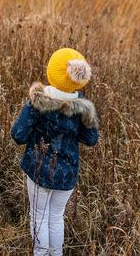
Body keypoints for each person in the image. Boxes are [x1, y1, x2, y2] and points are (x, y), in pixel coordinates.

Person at [11, 48, 99, 256]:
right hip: (67, 174)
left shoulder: (38, 103)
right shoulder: (83, 108)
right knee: (56, 217)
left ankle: (40, 253)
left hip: (38, 171)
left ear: (51, 73)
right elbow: (91, 139)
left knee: (38, 215)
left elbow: (18, 135)